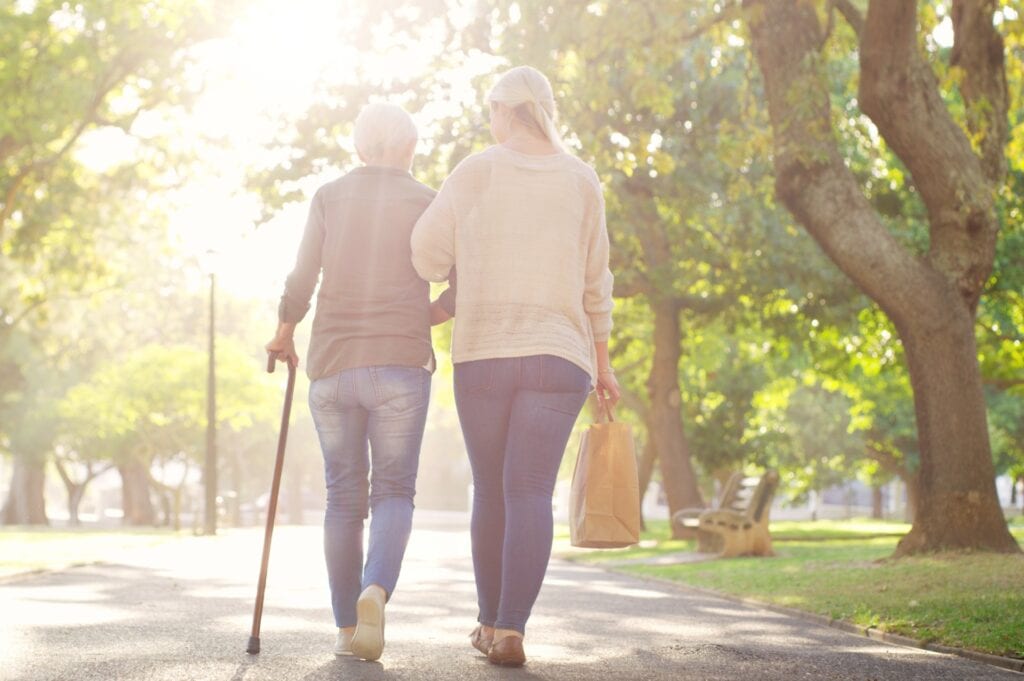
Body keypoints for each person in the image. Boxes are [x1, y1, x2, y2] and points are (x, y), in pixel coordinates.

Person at [410, 65, 620, 667]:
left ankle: (486, 623)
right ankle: (510, 629)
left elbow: (425, 254)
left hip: (485, 353)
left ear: (504, 111)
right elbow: (596, 283)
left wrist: (461, 272)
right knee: (530, 490)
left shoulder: (475, 171)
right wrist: (602, 363)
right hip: (560, 354)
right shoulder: (581, 179)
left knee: (492, 491)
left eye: (491, 111)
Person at [265, 102, 438, 662]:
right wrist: (428, 315)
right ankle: (376, 588)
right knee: (393, 490)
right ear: (409, 148)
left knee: (343, 496)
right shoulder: (428, 201)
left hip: (334, 365)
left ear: (360, 149)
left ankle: (346, 628)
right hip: (400, 367)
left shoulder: (329, 196)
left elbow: (303, 273)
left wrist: (283, 333)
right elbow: (461, 275)